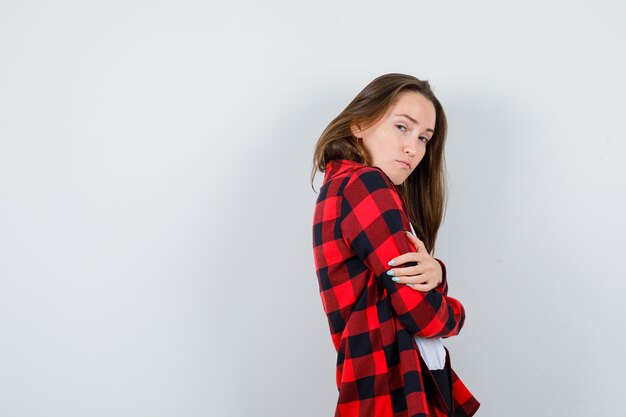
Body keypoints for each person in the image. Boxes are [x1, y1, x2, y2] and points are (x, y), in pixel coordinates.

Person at [311, 73, 480, 417]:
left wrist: (436, 273)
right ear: (358, 123)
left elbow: (404, 286)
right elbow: (422, 314)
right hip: (395, 392)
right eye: (402, 127)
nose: (413, 148)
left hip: (379, 388)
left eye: (424, 138)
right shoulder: (365, 184)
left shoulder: (339, 187)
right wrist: (457, 313)